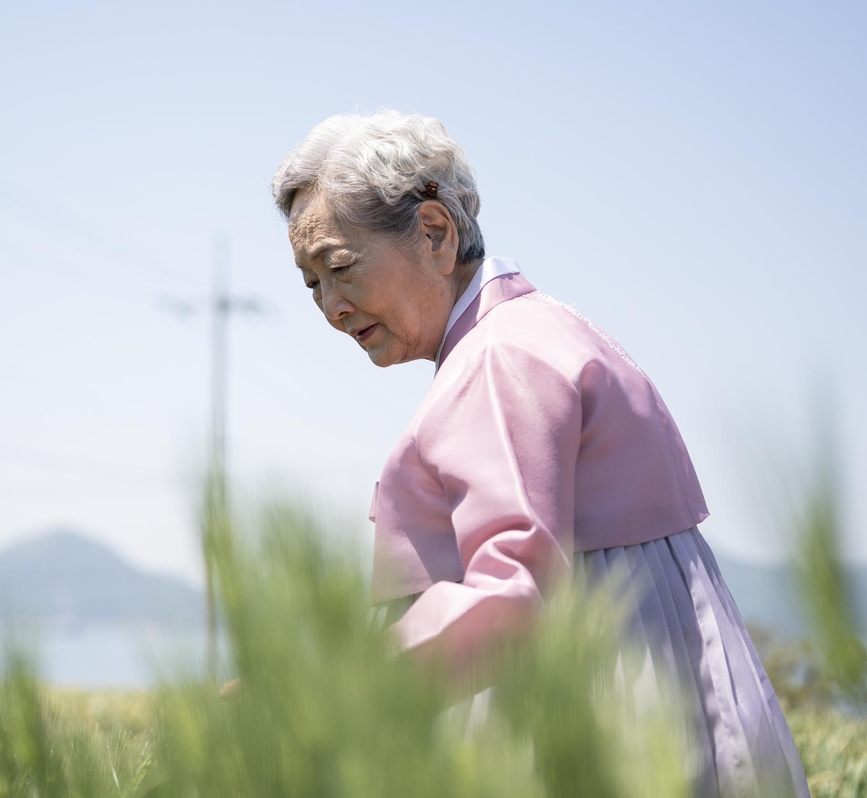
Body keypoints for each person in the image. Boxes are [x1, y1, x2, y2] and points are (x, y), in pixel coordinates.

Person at [271, 110, 810, 798]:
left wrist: (324, 696)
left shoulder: (499, 360)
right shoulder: (542, 331)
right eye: (311, 284)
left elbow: (512, 592)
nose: (331, 306)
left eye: (340, 266)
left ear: (435, 231)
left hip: (582, 707)